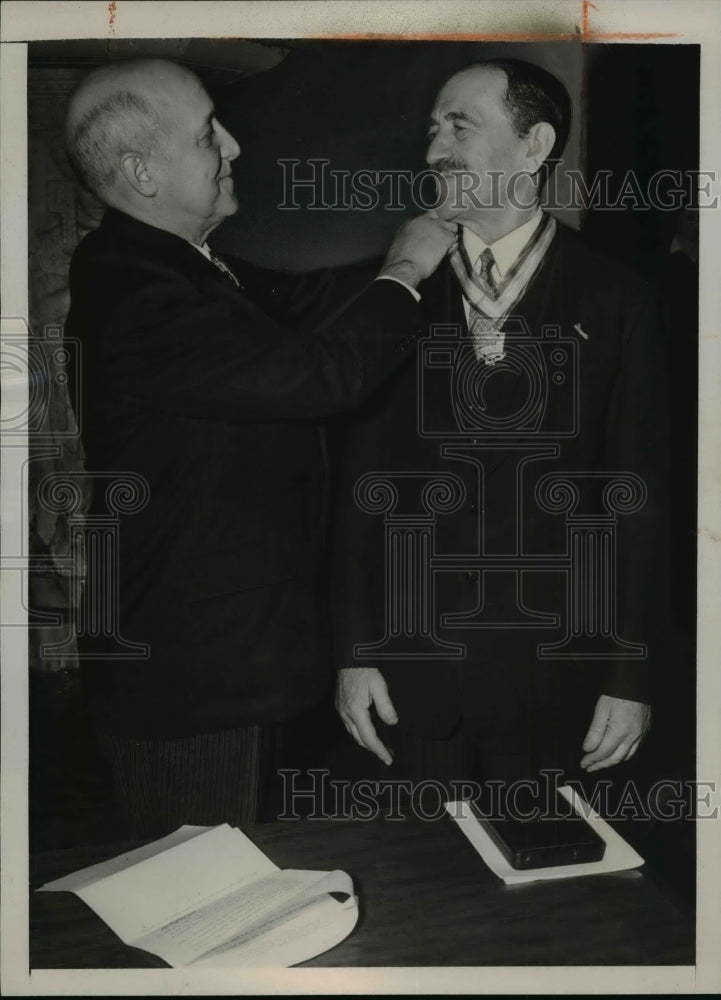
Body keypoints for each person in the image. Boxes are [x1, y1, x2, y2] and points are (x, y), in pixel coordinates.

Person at [63, 57, 455, 836]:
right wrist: (408, 266)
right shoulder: (135, 297)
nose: (234, 146)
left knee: (255, 893)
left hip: (235, 665)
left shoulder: (175, 270)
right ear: (142, 172)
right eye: (208, 133)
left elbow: (307, 303)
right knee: (209, 909)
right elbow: (316, 375)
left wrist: (440, 244)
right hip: (195, 685)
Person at [333, 59, 669, 807]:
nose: (433, 152)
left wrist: (629, 676)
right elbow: (360, 490)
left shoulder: (618, 298)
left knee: (554, 901)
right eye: (431, 130)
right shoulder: (395, 293)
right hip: (412, 680)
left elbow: (640, 503)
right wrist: (353, 653)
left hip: (562, 685)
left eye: (459, 126)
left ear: (534, 144)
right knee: (424, 896)